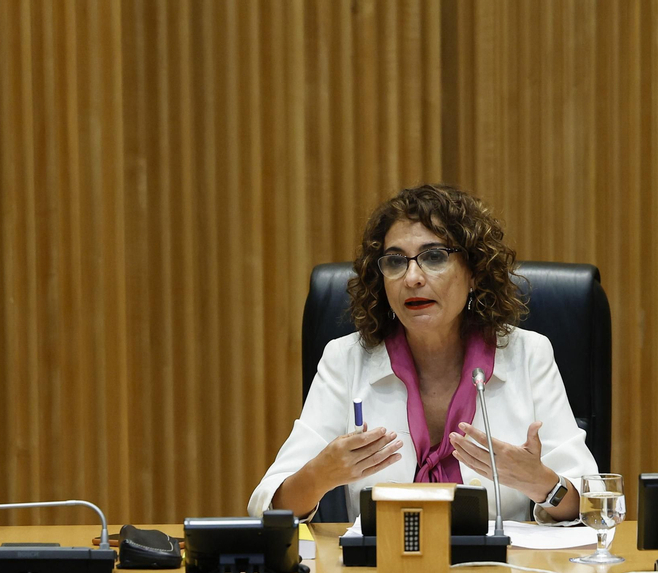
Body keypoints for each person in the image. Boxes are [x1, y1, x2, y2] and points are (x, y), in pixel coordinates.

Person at [250, 184, 597, 522]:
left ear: (474, 272)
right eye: (395, 262)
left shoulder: (528, 355)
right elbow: (267, 509)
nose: (412, 277)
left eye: (434, 257)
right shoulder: (345, 360)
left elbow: (592, 502)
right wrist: (320, 475)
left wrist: (540, 483)